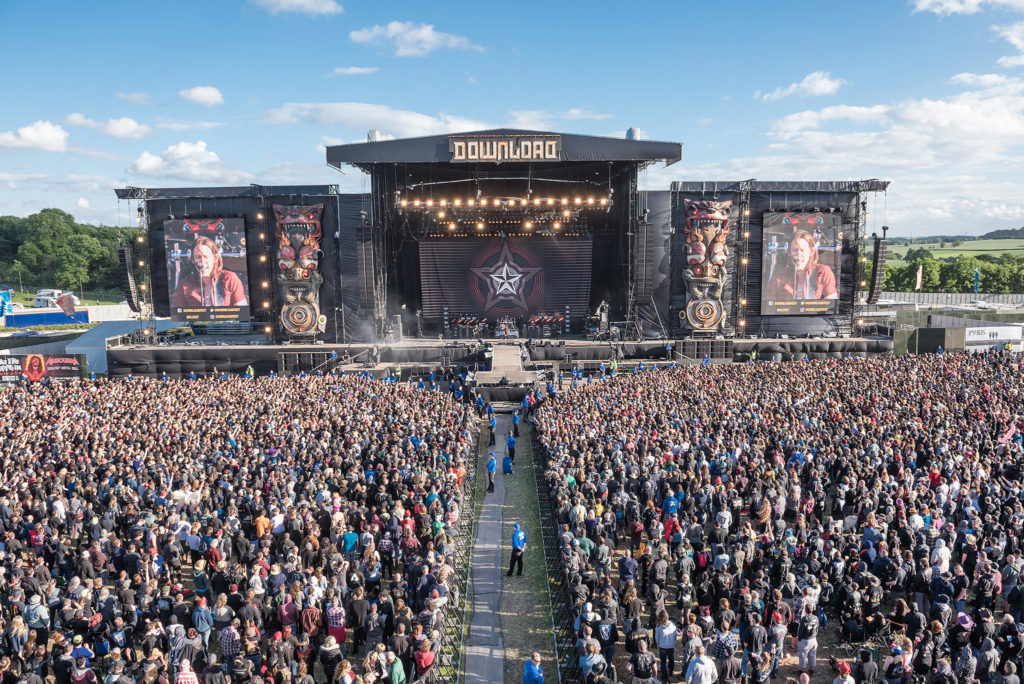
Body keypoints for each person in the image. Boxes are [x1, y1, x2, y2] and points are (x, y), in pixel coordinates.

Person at [171, 235, 248, 308]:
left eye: (206, 257)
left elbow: (242, 313)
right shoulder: (183, 285)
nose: (202, 261)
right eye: (198, 257)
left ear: (215, 258)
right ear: (193, 260)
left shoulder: (230, 279)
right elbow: (178, 317)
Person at [765, 229, 838, 301]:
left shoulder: (823, 272)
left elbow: (831, 303)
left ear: (811, 252)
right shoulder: (779, 276)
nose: (799, 254)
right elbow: (769, 304)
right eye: (795, 250)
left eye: (803, 250)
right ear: (789, 253)